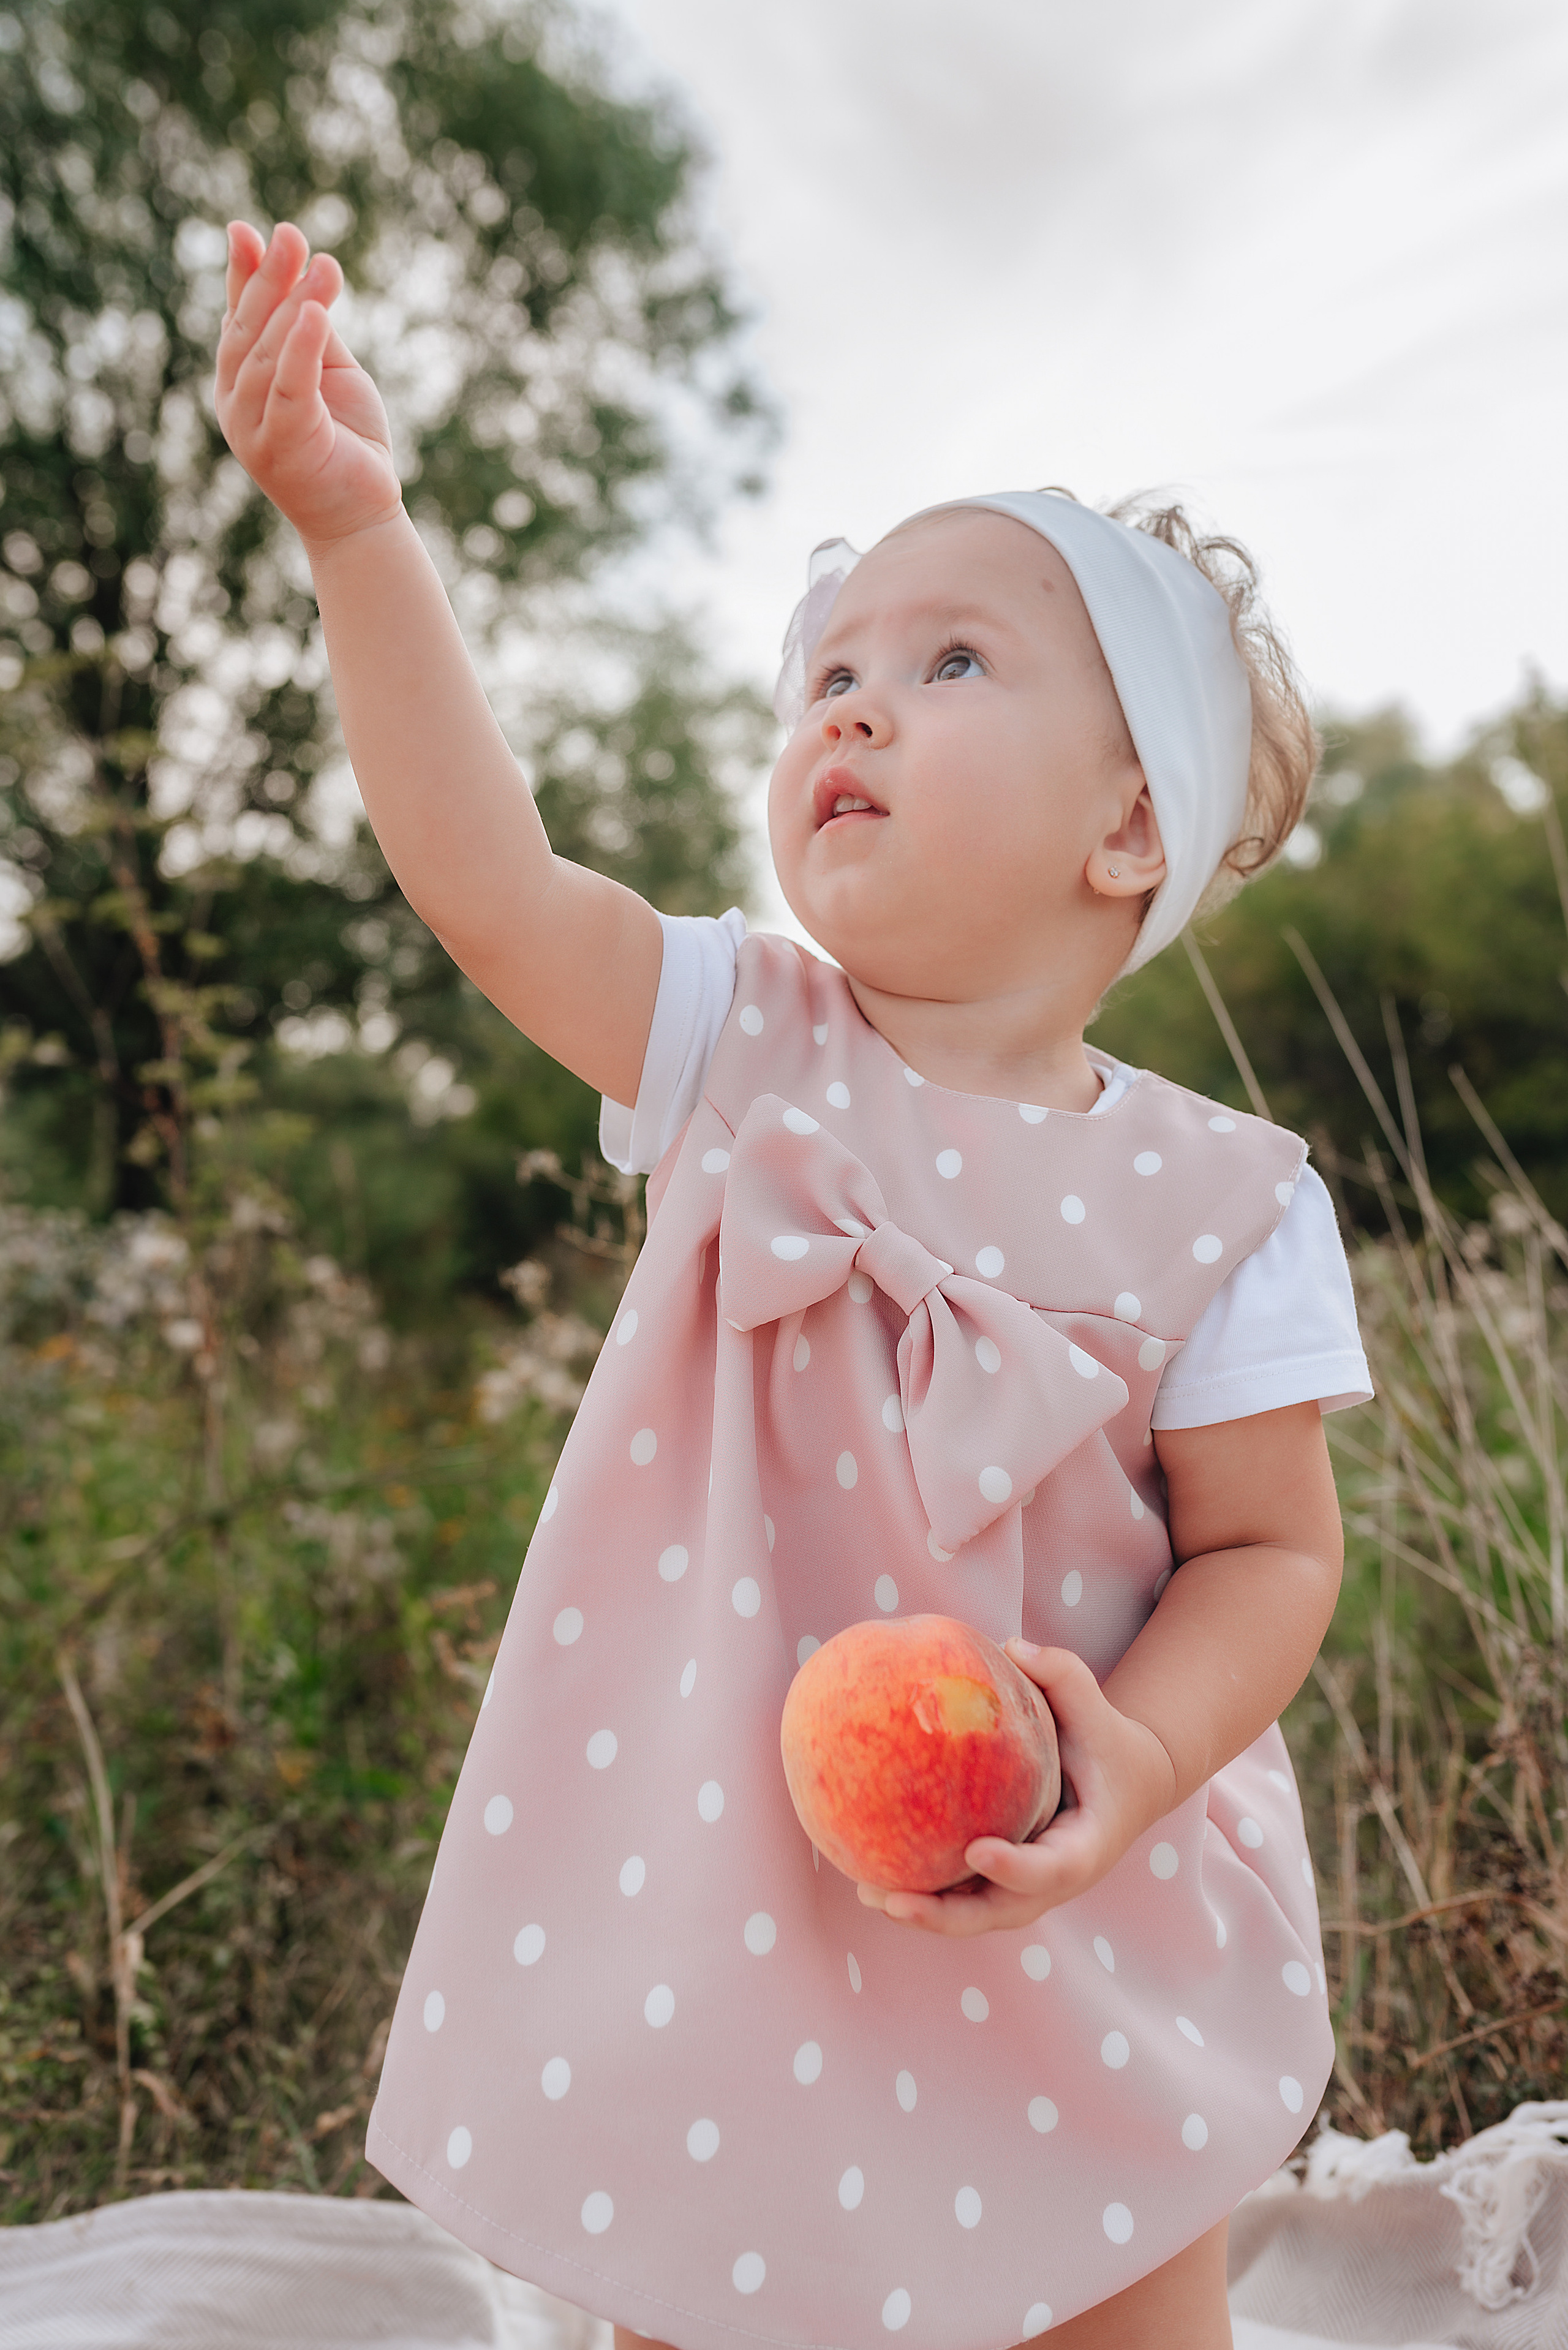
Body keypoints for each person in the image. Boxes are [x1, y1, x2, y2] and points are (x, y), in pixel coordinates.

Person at [216, 220, 1369, 2350]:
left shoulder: (1225, 1198)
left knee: (1122, 2282)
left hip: (1070, 1858)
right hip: (733, 1876)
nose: (851, 696)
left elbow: (1274, 1552)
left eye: (950, 663)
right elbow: (487, 878)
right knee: (717, 2284)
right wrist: (358, 531)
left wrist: (1142, 1755)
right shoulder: (737, 1044)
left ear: (1132, 824)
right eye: (835, 665)